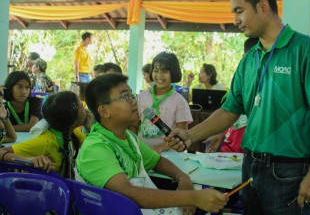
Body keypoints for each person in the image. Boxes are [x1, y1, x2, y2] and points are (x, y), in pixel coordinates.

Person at [166, 0, 310, 215]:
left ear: (263, 7)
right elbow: (229, 111)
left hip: (289, 171)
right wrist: (189, 134)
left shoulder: (307, 51)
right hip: (250, 167)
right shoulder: (249, 59)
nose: (235, 20)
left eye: (239, 11)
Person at [76, 73, 228, 214]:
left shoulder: (127, 136)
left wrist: (182, 177)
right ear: (104, 111)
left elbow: (157, 161)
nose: (134, 101)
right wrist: (192, 197)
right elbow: (129, 194)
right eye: (126, 97)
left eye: (132, 95)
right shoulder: (95, 147)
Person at [4, 91, 87, 178]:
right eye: (82, 106)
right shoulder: (44, 142)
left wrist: (90, 127)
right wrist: (28, 159)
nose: (85, 110)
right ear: (72, 116)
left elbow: (93, 148)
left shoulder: (73, 133)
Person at [204, 37, 259, 154]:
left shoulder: (270, 85)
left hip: (252, 153)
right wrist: (220, 134)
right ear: (244, 57)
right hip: (229, 149)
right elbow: (228, 113)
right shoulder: (240, 81)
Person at [138, 52, 193, 153]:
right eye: (155, 70)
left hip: (168, 154)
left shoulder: (179, 101)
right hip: (143, 152)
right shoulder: (142, 96)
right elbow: (135, 125)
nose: (159, 75)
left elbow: (181, 137)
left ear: (174, 73)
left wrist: (159, 148)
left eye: (164, 71)